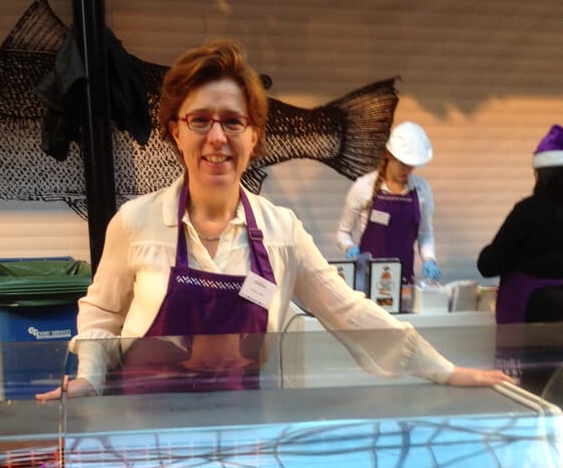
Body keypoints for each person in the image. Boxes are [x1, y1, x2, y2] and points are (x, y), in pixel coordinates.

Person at [36, 40, 508, 401]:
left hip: (241, 443)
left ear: (254, 135)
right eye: (200, 120)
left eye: (232, 121)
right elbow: (100, 315)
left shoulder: (282, 232)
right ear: (175, 131)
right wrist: (89, 381)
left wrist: (445, 370)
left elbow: (352, 312)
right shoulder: (134, 222)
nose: (216, 136)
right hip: (141, 441)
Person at [477, 124, 563, 394]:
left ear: (541, 174)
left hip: (533, 316)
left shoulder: (528, 211)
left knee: (532, 394)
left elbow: (489, 263)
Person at [336, 121, 441, 294]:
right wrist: (349, 247)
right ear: (387, 154)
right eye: (402, 163)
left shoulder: (421, 190)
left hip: (404, 281)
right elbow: (342, 232)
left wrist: (430, 259)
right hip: (366, 283)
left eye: (411, 165)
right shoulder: (363, 187)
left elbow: (425, 234)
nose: (406, 170)